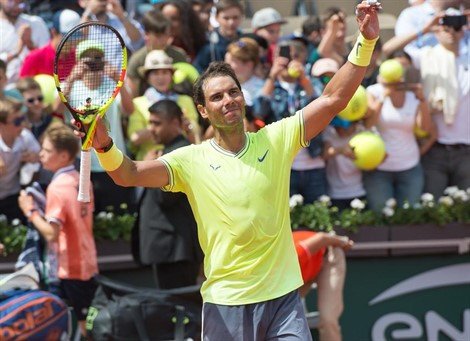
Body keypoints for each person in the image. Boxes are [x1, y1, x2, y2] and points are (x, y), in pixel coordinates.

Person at [75, 2, 380, 338]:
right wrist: (104, 145)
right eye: (217, 97)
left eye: (233, 92)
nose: (228, 100)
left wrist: (365, 42)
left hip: (283, 299)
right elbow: (128, 174)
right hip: (226, 302)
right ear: (203, 111)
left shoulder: (277, 139)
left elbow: (334, 98)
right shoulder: (189, 160)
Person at [18, 123, 98, 338]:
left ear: (63, 156)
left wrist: (30, 210)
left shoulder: (57, 187)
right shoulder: (82, 180)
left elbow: (52, 233)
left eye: (46, 150)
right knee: (86, 327)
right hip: (86, 262)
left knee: (67, 329)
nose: (41, 154)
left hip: (67, 269)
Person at [134, 99, 203, 289]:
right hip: (168, 249)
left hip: (174, 249)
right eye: (150, 123)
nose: (151, 129)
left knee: (180, 309)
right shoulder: (167, 151)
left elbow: (166, 197)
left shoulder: (179, 151)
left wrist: (150, 170)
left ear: (174, 123)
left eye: (157, 123)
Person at [364, 59, 432, 211]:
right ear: (379, 78)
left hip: (410, 166)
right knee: (379, 215)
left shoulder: (412, 96)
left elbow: (425, 129)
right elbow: (369, 124)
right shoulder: (373, 92)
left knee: (409, 217)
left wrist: (422, 99)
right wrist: (383, 97)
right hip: (379, 167)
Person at [128, 50, 201, 160]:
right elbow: (134, 140)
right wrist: (159, 124)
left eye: (165, 72)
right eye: (155, 73)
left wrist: (187, 125)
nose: (160, 77)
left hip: (182, 160)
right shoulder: (137, 103)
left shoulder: (185, 100)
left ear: (171, 75)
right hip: (150, 162)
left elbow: (196, 137)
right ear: (147, 78)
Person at [293, 229, 353, 341]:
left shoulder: (294, 255)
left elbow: (323, 238)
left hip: (328, 257)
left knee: (328, 318)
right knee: (286, 318)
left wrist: (343, 241)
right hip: (305, 272)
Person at [126, 8, 189, 97]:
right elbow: (133, 94)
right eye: (158, 36)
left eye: (166, 34)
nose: (163, 40)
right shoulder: (137, 60)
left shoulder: (179, 56)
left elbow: (187, 87)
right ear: (146, 34)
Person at [0, 98, 40, 223]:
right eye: (17, 121)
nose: (22, 124)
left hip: (14, 194)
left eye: (22, 119)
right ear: (2, 124)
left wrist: (34, 158)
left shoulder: (25, 136)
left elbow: (42, 156)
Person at [0, 0, 50, 89]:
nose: (16, 6)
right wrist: (15, 52)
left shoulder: (36, 23)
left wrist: (30, 45)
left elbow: (47, 58)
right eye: (11, 1)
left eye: (20, 2)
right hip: (5, 90)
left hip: (34, 90)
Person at [19, 9, 81, 78]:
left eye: (75, 36)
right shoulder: (34, 57)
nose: (72, 42)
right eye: (67, 37)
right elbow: (22, 86)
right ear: (53, 32)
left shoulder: (78, 57)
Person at [193, 0, 244, 73]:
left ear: (242, 17)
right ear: (216, 17)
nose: (231, 22)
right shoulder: (208, 43)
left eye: (235, 17)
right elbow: (197, 70)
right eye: (226, 18)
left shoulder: (245, 41)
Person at [79, 0, 144, 53]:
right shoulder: (80, 21)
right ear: (82, 2)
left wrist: (121, 14)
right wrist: (88, 13)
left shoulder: (120, 20)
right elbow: (77, 44)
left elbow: (138, 42)